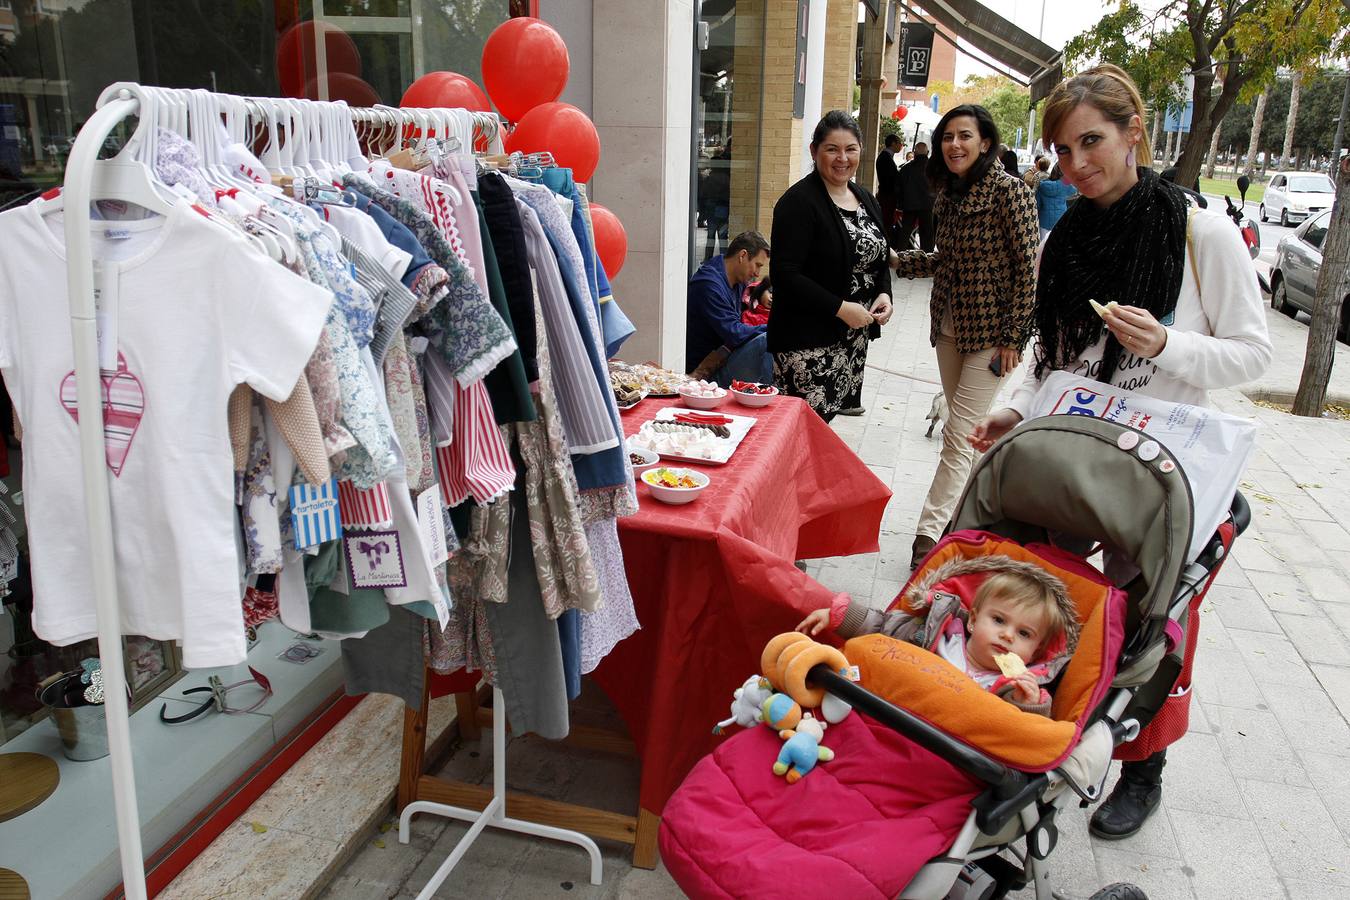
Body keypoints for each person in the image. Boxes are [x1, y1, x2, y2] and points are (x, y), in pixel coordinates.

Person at [968, 64, 1272, 841]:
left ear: (1136, 130)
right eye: (1063, 150)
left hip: (1159, 469)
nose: (1075, 166)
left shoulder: (1201, 234)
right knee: (1043, 593)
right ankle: (1031, 725)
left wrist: (1169, 344)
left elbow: (1252, 355)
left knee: (1153, 622)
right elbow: (1049, 353)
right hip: (1073, 449)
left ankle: (1142, 765)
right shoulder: (1063, 239)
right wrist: (1011, 412)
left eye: (1091, 142)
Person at [892, 105, 1038, 570]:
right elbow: (945, 261)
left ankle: (929, 535)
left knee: (957, 436)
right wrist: (898, 261)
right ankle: (983, 521)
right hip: (949, 328)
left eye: (964, 136)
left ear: (986, 143)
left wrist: (1015, 335)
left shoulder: (1010, 193)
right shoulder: (947, 196)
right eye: (947, 137)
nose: (954, 145)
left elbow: (1027, 270)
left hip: (993, 336)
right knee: (968, 434)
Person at [796, 557, 1080, 717]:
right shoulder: (940, 635)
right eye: (998, 620)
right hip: (892, 712)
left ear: (1036, 650)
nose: (1007, 635)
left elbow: (1022, 736)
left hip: (951, 747)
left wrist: (1029, 705)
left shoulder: (1014, 685)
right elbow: (884, 625)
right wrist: (841, 616)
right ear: (973, 621)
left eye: (1024, 633)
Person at [769, 110, 895, 422]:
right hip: (807, 340)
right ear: (814, 151)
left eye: (850, 149)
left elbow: (878, 255)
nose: (842, 158)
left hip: (852, 338)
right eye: (832, 149)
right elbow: (785, 275)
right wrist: (840, 308)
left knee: (824, 428)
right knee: (804, 430)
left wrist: (884, 293)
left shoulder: (864, 196)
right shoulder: (798, 202)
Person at [685, 230, 773, 387]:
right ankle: (776, 398)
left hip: (725, 358)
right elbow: (735, 333)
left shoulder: (736, 278)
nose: (757, 273)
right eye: (757, 265)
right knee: (768, 340)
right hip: (706, 376)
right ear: (743, 255)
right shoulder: (708, 285)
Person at [896, 142, 936, 252]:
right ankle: (927, 257)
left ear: (915, 153)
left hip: (909, 204)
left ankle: (900, 256)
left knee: (905, 232)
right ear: (927, 153)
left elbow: (899, 188)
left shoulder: (906, 168)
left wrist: (900, 203)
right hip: (928, 205)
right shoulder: (933, 169)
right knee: (927, 234)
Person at [1036, 163, 1078, 240]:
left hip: (1044, 221)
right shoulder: (1065, 185)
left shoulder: (1042, 186)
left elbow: (1037, 205)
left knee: (1043, 246)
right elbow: (1074, 190)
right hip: (1060, 220)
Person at [875, 133, 903, 245]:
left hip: (887, 194)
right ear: (893, 143)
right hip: (887, 195)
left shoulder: (886, 157)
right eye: (899, 143)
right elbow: (890, 179)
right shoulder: (885, 158)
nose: (901, 146)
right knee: (886, 221)